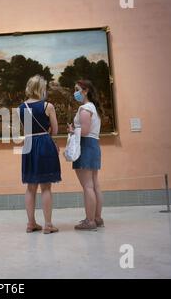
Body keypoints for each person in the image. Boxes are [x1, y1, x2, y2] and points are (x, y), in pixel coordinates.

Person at [18, 75, 62, 234]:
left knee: (30, 187)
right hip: (44, 143)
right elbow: (55, 130)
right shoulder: (48, 106)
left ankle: (31, 223)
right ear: (40, 88)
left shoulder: (20, 108)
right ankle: (48, 224)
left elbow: (26, 130)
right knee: (46, 187)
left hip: (29, 144)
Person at [67, 80, 104, 231]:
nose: (75, 92)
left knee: (88, 186)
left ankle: (89, 221)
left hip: (85, 146)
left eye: (77, 89)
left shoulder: (84, 109)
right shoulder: (93, 108)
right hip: (93, 146)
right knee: (95, 185)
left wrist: (71, 130)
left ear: (85, 90)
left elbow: (85, 131)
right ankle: (97, 218)